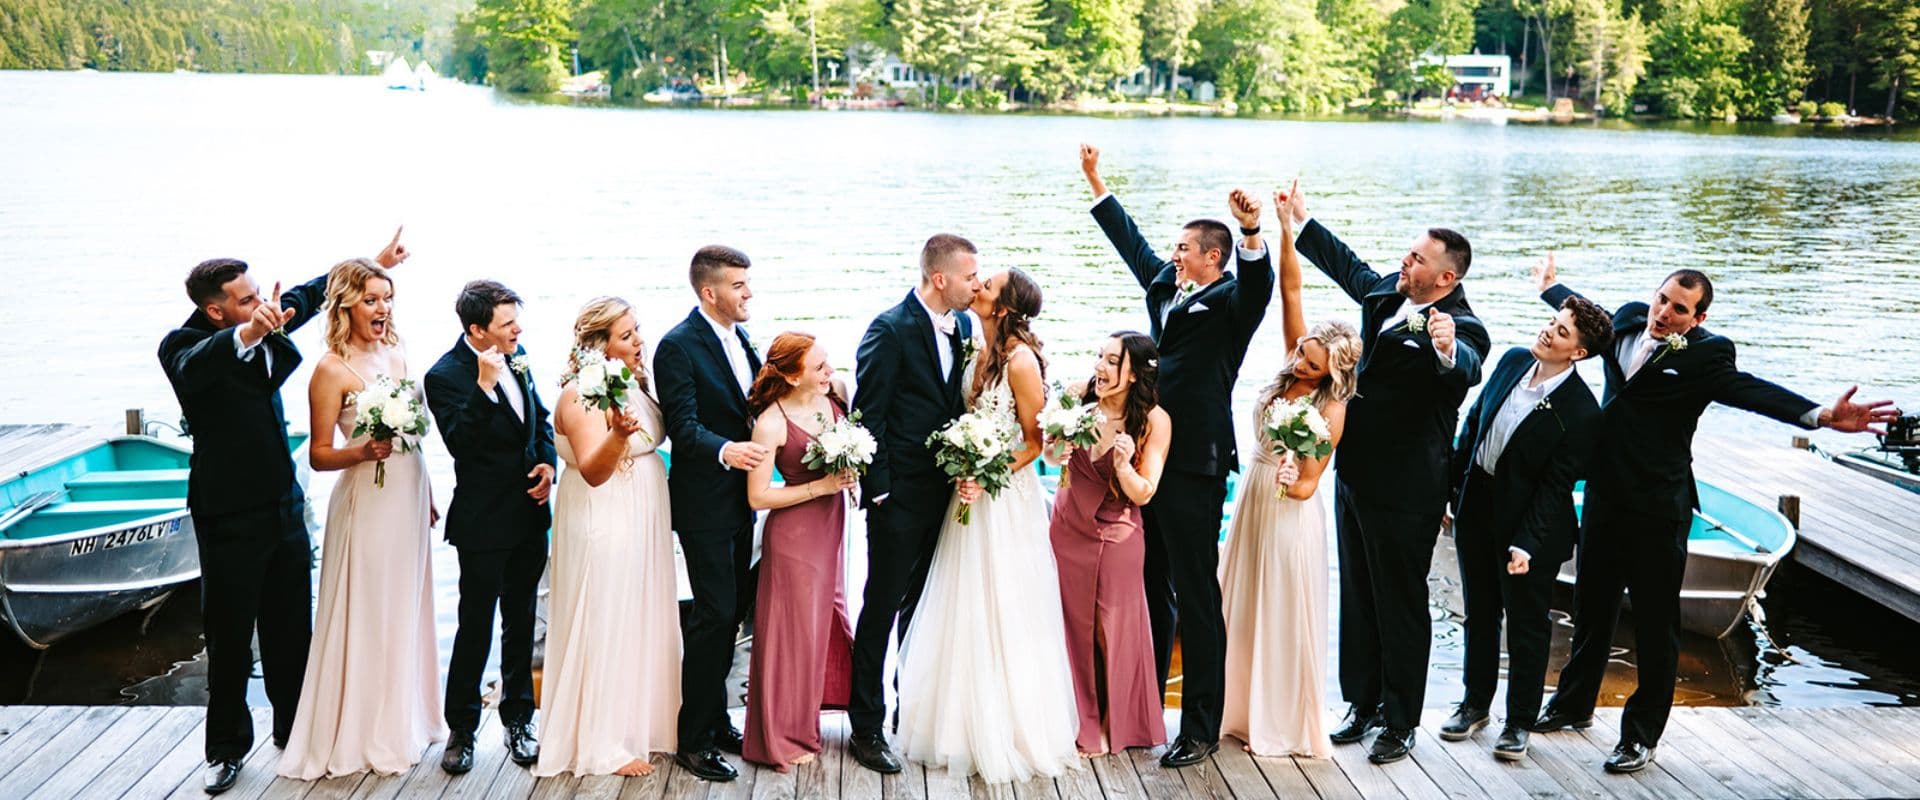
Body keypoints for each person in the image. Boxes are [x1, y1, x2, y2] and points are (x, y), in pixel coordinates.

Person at [1530, 255, 1898, 773]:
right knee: (1593, 609)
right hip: (1605, 498)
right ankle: (1572, 706)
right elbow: (1589, 316)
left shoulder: (1707, 357)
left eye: (1679, 309)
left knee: (1658, 626)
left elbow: (1751, 392)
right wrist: (1551, 289)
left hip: (1660, 508)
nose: (1664, 313)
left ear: (1697, 319)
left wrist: (1820, 416)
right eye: (1662, 299)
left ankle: (1640, 736)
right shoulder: (1630, 319)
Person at [157, 228, 406, 795]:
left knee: (292, 630)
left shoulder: (264, 317)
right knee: (228, 638)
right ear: (214, 310)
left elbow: (311, 291)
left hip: (284, 508)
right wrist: (248, 331)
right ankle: (224, 750)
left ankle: (295, 733)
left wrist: (377, 261)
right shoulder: (182, 346)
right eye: (244, 301)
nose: (260, 305)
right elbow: (197, 367)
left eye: (256, 295)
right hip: (227, 516)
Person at [1278, 181, 1490, 764]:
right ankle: (1361, 704)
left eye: (1419, 258)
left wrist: (1447, 349)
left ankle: (1400, 722)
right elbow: (1349, 266)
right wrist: (1302, 220)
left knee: (1400, 603)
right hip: (1355, 475)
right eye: (1410, 251)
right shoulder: (1388, 296)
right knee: (1360, 595)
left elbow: (1465, 368)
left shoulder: (1462, 328)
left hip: (1407, 490)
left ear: (1446, 279)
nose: (1406, 260)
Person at [1081, 145, 1275, 768]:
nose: (1175, 254)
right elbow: (1136, 248)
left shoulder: (1231, 304)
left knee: (1195, 592)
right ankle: (1144, 707)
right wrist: (1096, 183)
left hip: (1194, 461)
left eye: (1186, 248)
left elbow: (1260, 285)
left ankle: (1200, 727)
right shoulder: (1169, 287)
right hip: (1146, 456)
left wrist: (1251, 231)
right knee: (1148, 584)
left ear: (1213, 257)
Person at [894, 268, 1081, 783]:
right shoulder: (977, 348)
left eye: (987, 286)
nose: (975, 288)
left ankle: (1010, 728)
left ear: (1002, 307)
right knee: (962, 602)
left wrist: (985, 472)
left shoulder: (1021, 361)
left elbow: (1034, 441)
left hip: (1003, 499)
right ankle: (955, 725)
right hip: (969, 494)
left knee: (1003, 602)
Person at [278, 257, 446, 779]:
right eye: (371, 299)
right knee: (370, 608)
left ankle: (406, 719)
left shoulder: (395, 350)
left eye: (387, 298)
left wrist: (430, 492)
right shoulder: (329, 369)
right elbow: (318, 455)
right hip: (367, 500)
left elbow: (412, 433)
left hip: (408, 491)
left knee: (404, 605)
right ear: (347, 304)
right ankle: (365, 729)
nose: (382, 308)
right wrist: (363, 452)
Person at [1440, 288, 1610, 761]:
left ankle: (1518, 723)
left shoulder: (1581, 411)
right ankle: (1474, 704)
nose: (1547, 331)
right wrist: (1449, 492)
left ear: (1578, 352)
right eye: (1551, 321)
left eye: (1560, 331)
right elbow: (1473, 426)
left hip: (1531, 528)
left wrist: (1526, 544)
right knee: (1479, 612)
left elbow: (1555, 487)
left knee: (1528, 627)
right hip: (1477, 508)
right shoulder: (1514, 361)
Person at [1220, 194, 1361, 758]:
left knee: (1278, 609)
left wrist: (1290, 476)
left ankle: (1275, 720)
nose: (1301, 364)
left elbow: (1310, 483)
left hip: (1288, 508)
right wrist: (1283, 227)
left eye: (1311, 364)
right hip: (1254, 495)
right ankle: (1233, 710)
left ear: (1332, 373)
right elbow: (1292, 290)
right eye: (1303, 354)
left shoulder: (1331, 409)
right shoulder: (1291, 365)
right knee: (1239, 601)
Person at [846, 234, 979, 775]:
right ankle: (866, 726)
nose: (978, 283)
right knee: (881, 606)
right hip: (898, 498)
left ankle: (911, 710)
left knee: (924, 606)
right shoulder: (890, 328)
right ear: (940, 278)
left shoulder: (965, 326)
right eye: (970, 276)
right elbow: (868, 414)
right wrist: (880, 491)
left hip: (947, 494)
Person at [534, 297, 682, 777]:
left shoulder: (632, 385)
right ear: (599, 345)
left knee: (637, 614)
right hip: (604, 517)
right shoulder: (580, 395)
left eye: (638, 331)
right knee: (605, 616)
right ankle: (602, 743)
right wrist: (618, 435)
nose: (640, 341)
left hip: (642, 517)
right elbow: (595, 470)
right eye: (627, 336)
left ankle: (642, 721)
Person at [423, 281, 557, 774]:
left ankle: (519, 720)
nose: (517, 329)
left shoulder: (518, 357)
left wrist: (547, 466)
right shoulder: (445, 375)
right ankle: (461, 727)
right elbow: (461, 441)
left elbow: (539, 419)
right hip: (482, 521)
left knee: (521, 621)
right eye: (506, 323)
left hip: (528, 513)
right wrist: (482, 384)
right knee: (475, 624)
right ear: (477, 329)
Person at [655, 244, 765, 783]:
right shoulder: (677, 346)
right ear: (709, 292)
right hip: (704, 504)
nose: (749, 293)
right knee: (714, 615)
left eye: (748, 283)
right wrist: (728, 451)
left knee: (733, 611)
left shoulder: (742, 338)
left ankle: (718, 717)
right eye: (739, 285)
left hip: (744, 500)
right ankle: (692, 740)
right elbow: (684, 424)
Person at [1045, 332, 1172, 757]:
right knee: (1069, 626)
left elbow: (1144, 493)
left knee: (1110, 628)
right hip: (1067, 527)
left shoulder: (1153, 421)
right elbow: (1049, 455)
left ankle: (1117, 723)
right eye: (1098, 355)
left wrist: (1122, 465)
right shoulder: (1079, 399)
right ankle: (1078, 720)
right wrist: (1057, 446)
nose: (1099, 366)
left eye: (1111, 360)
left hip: (1118, 532)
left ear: (1133, 373)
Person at [740, 332, 859, 771]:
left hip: (832, 528)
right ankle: (780, 736)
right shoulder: (770, 423)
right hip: (794, 535)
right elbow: (757, 497)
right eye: (820, 368)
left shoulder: (835, 399)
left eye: (828, 364)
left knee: (826, 620)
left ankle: (817, 710)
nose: (830, 373)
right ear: (792, 376)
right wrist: (821, 487)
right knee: (792, 633)